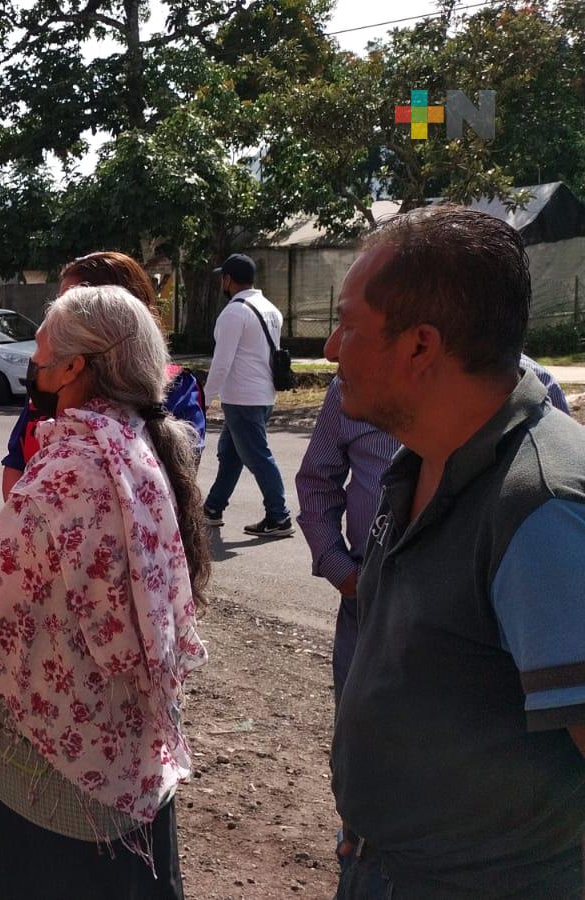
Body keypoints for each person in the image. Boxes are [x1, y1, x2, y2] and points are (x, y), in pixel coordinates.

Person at [0, 284, 209, 898]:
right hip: (130, 742)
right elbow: (32, 571)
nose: (30, 362)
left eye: (41, 351)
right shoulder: (138, 439)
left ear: (75, 366)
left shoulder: (70, 468)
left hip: (63, 757)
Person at [326, 206, 585, 898]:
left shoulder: (540, 505)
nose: (329, 348)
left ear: (419, 346)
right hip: (382, 866)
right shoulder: (420, 461)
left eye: (348, 324)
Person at [296, 360, 568, 702]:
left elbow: (559, 502)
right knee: (363, 732)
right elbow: (317, 481)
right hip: (370, 599)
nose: (333, 347)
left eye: (350, 323)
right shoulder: (353, 384)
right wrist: (344, 574)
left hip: (487, 618)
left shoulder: (536, 385)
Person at [1, 251, 205, 501]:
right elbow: (15, 464)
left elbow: (172, 491)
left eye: (73, 307)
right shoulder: (48, 387)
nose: (57, 318)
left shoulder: (174, 391)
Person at [202, 253, 291, 537]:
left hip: (242, 397)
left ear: (228, 279)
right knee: (230, 455)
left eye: (222, 277)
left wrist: (203, 399)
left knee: (258, 457)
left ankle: (279, 516)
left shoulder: (234, 312)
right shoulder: (270, 308)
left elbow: (222, 362)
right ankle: (212, 509)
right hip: (262, 395)